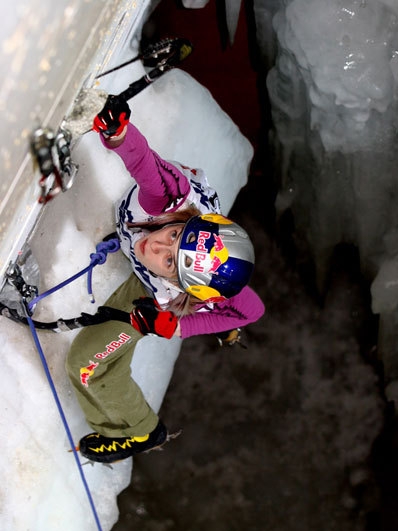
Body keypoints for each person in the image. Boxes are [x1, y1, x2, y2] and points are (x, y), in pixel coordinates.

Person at [66, 95, 265, 464]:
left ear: (182, 282)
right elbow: (144, 163)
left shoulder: (193, 286)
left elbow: (252, 310)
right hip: (171, 254)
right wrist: (119, 133)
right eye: (175, 237)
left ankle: (139, 431)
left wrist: (173, 327)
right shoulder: (166, 204)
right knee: (91, 363)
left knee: (84, 363)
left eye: (170, 261)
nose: (157, 244)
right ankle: (139, 425)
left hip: (152, 294)